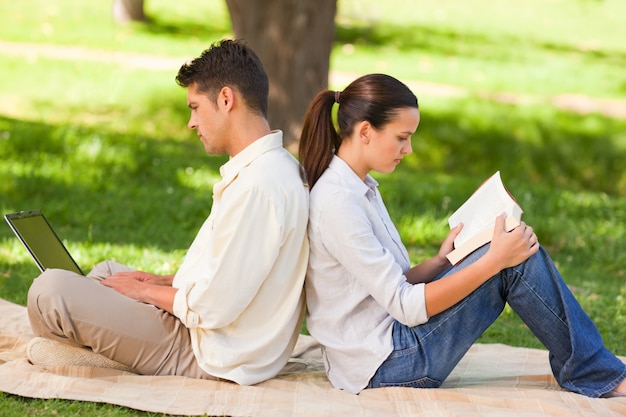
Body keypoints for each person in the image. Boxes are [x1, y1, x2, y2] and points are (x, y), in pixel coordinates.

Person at [297, 73, 626, 397]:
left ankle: (595, 370)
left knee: (511, 248)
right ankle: (600, 375)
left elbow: (389, 284)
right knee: (514, 260)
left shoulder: (358, 187)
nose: (408, 149)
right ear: (366, 131)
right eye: (402, 137)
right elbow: (405, 305)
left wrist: (442, 261)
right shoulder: (339, 203)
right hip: (386, 364)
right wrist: (494, 261)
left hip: (384, 349)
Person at [26, 39, 310, 385]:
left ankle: (98, 355)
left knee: (49, 289)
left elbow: (214, 306)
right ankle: (101, 344)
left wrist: (144, 293)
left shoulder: (260, 187)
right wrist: (161, 281)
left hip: (208, 351)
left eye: (195, 107)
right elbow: (233, 276)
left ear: (225, 99)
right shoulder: (268, 168)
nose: (191, 123)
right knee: (107, 272)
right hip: (209, 332)